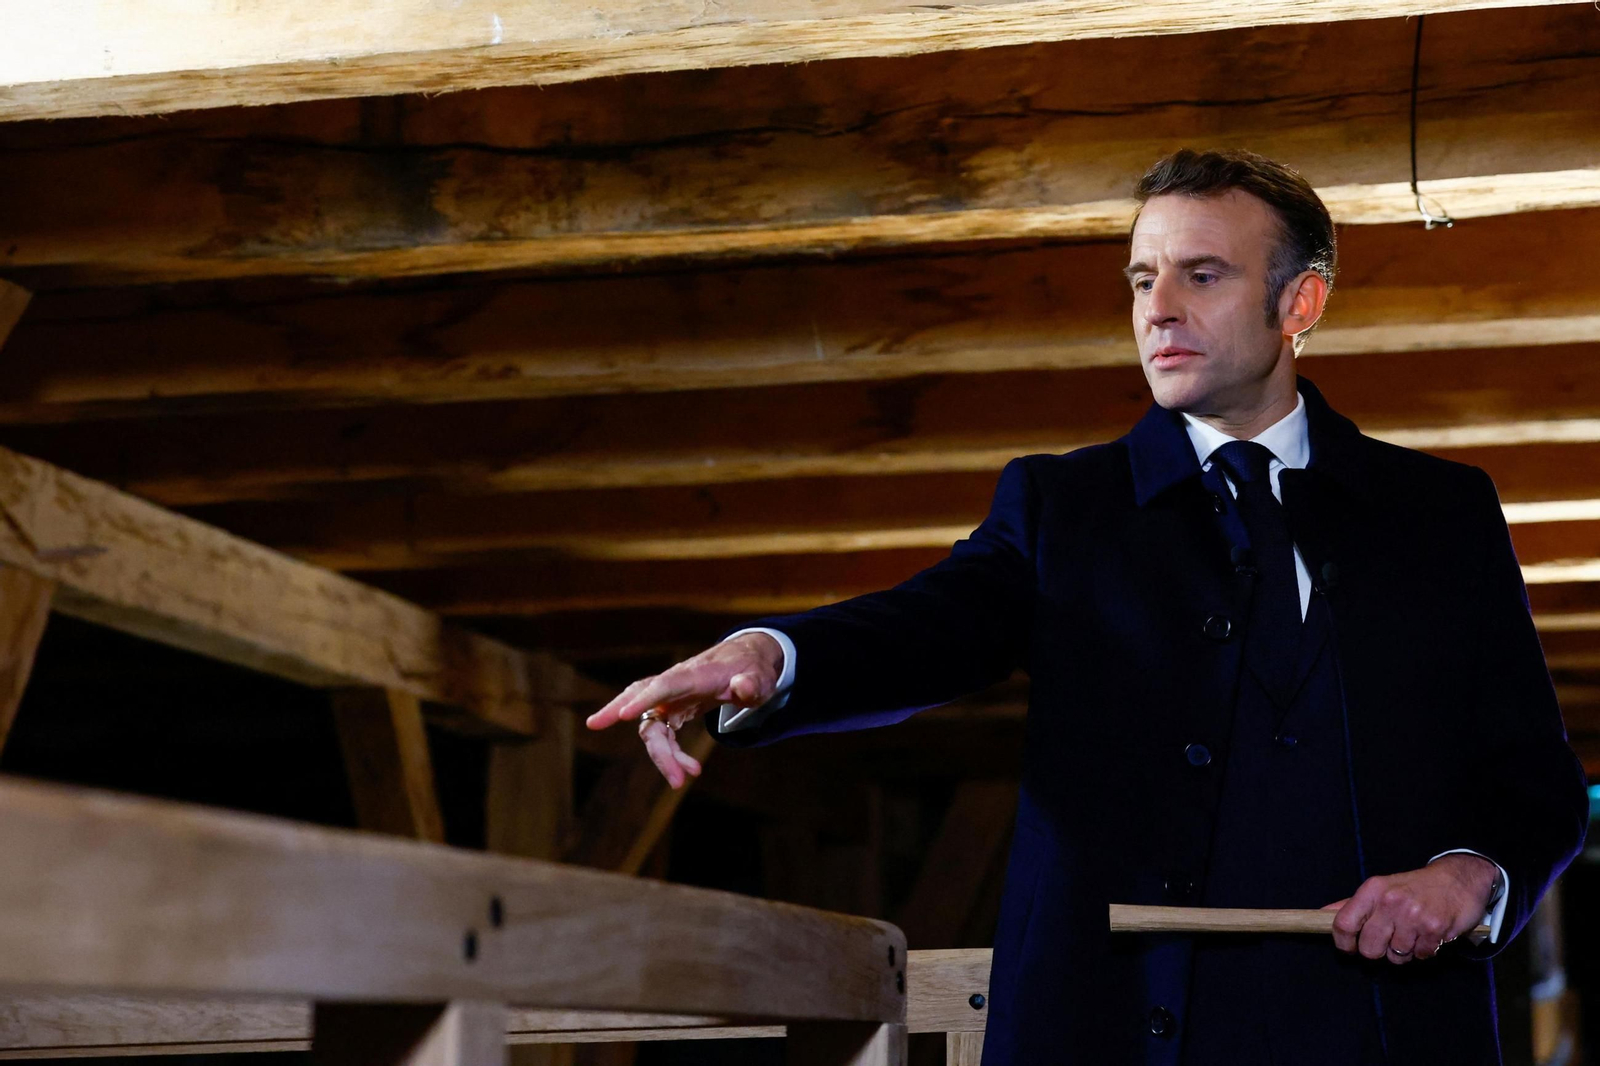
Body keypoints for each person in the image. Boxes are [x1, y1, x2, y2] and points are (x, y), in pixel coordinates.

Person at [584, 149, 1588, 1064]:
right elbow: (934, 624)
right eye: (1143, 279)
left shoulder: (1437, 515)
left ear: (1301, 302)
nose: (1158, 308)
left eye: (1202, 274)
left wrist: (1466, 877)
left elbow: (1531, 779)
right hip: (1111, 1030)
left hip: (1379, 1033)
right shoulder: (1064, 506)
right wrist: (775, 653)